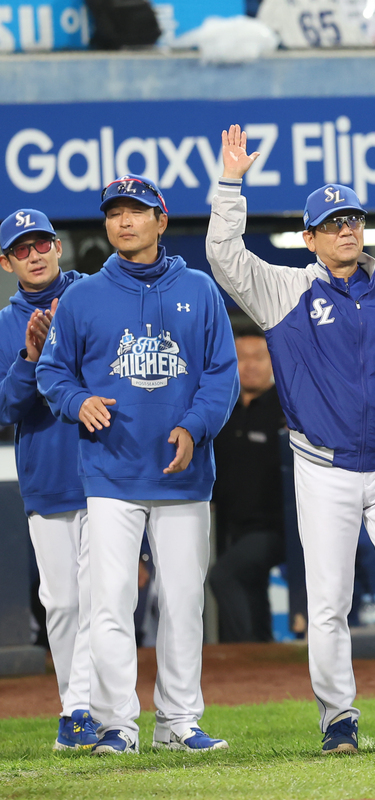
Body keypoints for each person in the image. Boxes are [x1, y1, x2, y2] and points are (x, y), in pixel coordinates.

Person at [206, 125, 375, 756]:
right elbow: (224, 255)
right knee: (329, 600)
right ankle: (338, 716)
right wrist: (230, 184)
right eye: (333, 223)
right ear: (310, 238)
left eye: (354, 220)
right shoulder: (286, 289)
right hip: (325, 464)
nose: (347, 229)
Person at [37, 175, 239, 755]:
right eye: (115, 213)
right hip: (110, 474)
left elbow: (221, 374)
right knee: (110, 602)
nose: (124, 221)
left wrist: (194, 426)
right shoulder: (80, 298)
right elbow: (53, 373)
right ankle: (115, 724)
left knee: (181, 601)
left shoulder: (199, 290)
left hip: (182, 475)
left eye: (137, 211)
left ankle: (178, 723)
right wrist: (78, 401)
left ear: (161, 220)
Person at [0, 209, 96, 750]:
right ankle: (78, 708)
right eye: (21, 249)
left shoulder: (94, 298)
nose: (34, 255)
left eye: (41, 245)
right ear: (7, 261)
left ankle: (84, 711)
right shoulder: (4, 324)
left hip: (105, 471)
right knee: (61, 603)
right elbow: (4, 406)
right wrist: (31, 361)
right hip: (45, 478)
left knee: (102, 600)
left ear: (58, 247)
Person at [209, 324, 287, 642]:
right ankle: (263, 655)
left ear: (272, 361)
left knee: (225, 576)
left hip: (275, 528)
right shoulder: (219, 410)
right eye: (241, 357)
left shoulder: (288, 409)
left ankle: (245, 654)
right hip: (227, 528)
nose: (250, 365)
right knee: (251, 589)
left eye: (258, 357)